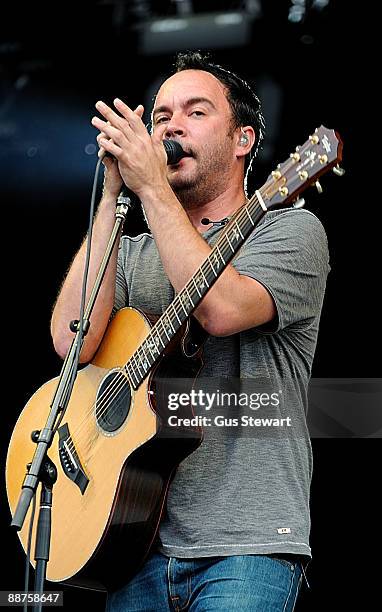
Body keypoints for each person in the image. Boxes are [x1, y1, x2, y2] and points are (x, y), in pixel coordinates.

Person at [51, 51, 329, 611]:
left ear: (243, 139)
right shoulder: (130, 253)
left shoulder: (290, 229)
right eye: (159, 117)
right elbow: (71, 342)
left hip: (247, 545)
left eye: (195, 112)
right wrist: (111, 196)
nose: (171, 126)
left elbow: (220, 310)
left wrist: (152, 190)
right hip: (131, 542)